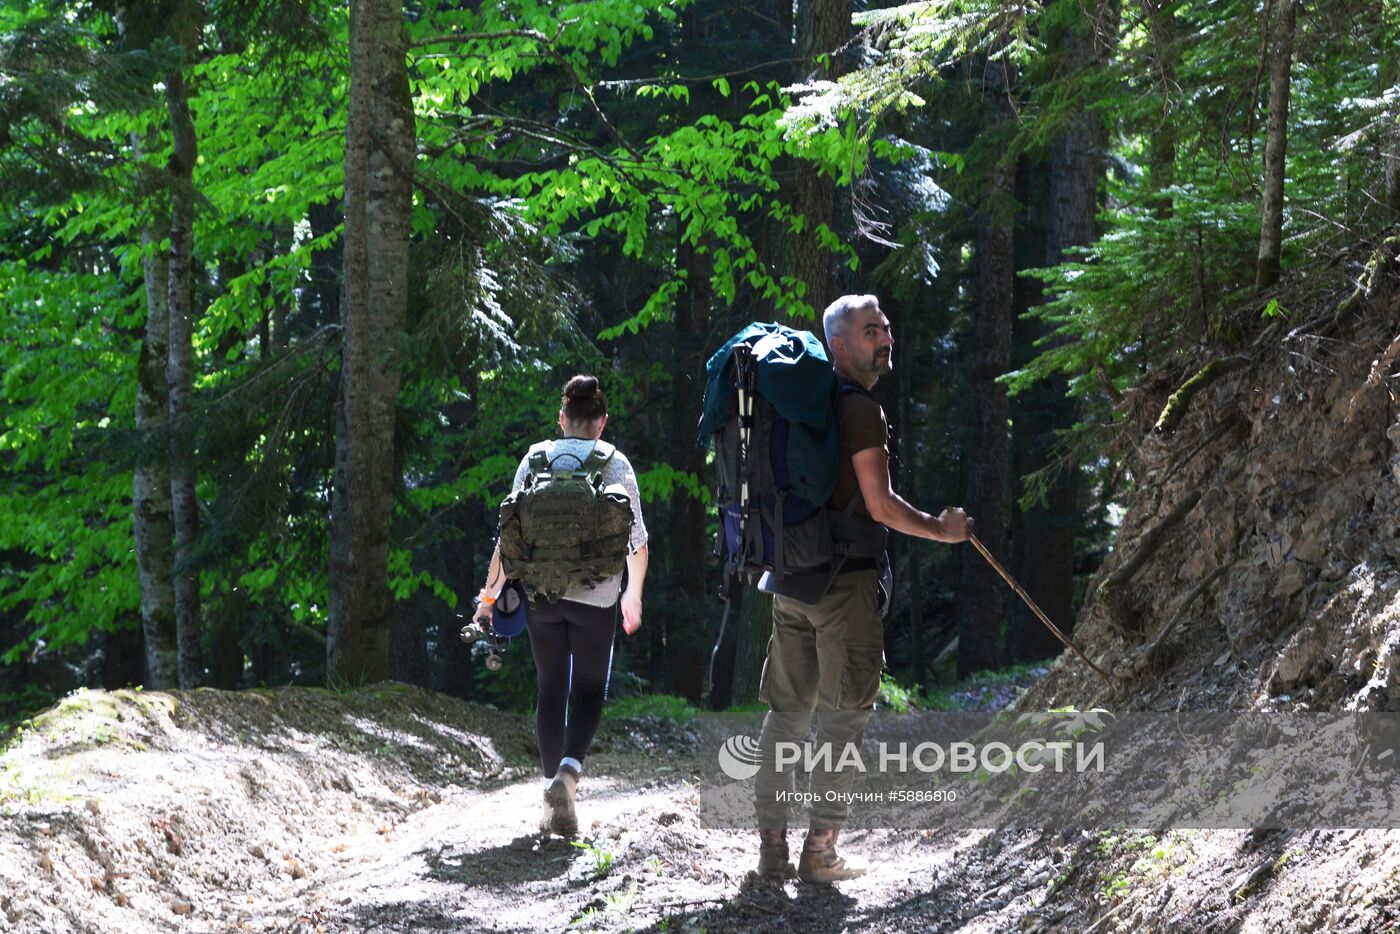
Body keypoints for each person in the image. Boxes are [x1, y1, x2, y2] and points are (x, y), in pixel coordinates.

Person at [753, 295, 973, 884]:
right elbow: (879, 504)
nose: (886, 339)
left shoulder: (804, 406)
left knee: (788, 714)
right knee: (845, 718)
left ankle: (772, 851)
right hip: (845, 584)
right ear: (840, 345)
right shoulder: (857, 409)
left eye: (887, 328)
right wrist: (941, 531)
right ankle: (820, 852)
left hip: (791, 578)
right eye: (872, 331)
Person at [474, 374, 649, 837]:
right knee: (589, 688)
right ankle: (568, 777)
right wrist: (632, 595)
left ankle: (554, 797)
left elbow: (507, 541)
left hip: (541, 597)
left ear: (562, 419)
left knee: (552, 688)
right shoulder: (615, 463)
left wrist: (488, 599)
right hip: (597, 597)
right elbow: (638, 543)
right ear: (602, 422)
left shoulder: (534, 459)